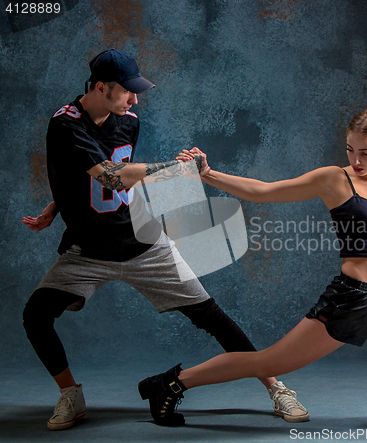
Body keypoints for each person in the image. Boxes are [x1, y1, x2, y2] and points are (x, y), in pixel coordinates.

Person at [138, 109, 367, 434]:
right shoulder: (335, 180)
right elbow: (264, 192)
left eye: (366, 153)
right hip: (352, 300)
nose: (356, 159)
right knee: (268, 362)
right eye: (351, 149)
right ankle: (172, 382)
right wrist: (208, 174)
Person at [22, 49, 308, 431]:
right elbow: (109, 175)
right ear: (101, 87)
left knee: (210, 316)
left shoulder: (127, 121)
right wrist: (175, 169)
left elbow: (105, 178)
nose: (135, 99)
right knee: (35, 316)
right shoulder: (65, 124)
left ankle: (274, 385)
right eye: (128, 92)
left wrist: (57, 205)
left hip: (141, 241)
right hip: (87, 249)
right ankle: (70, 394)